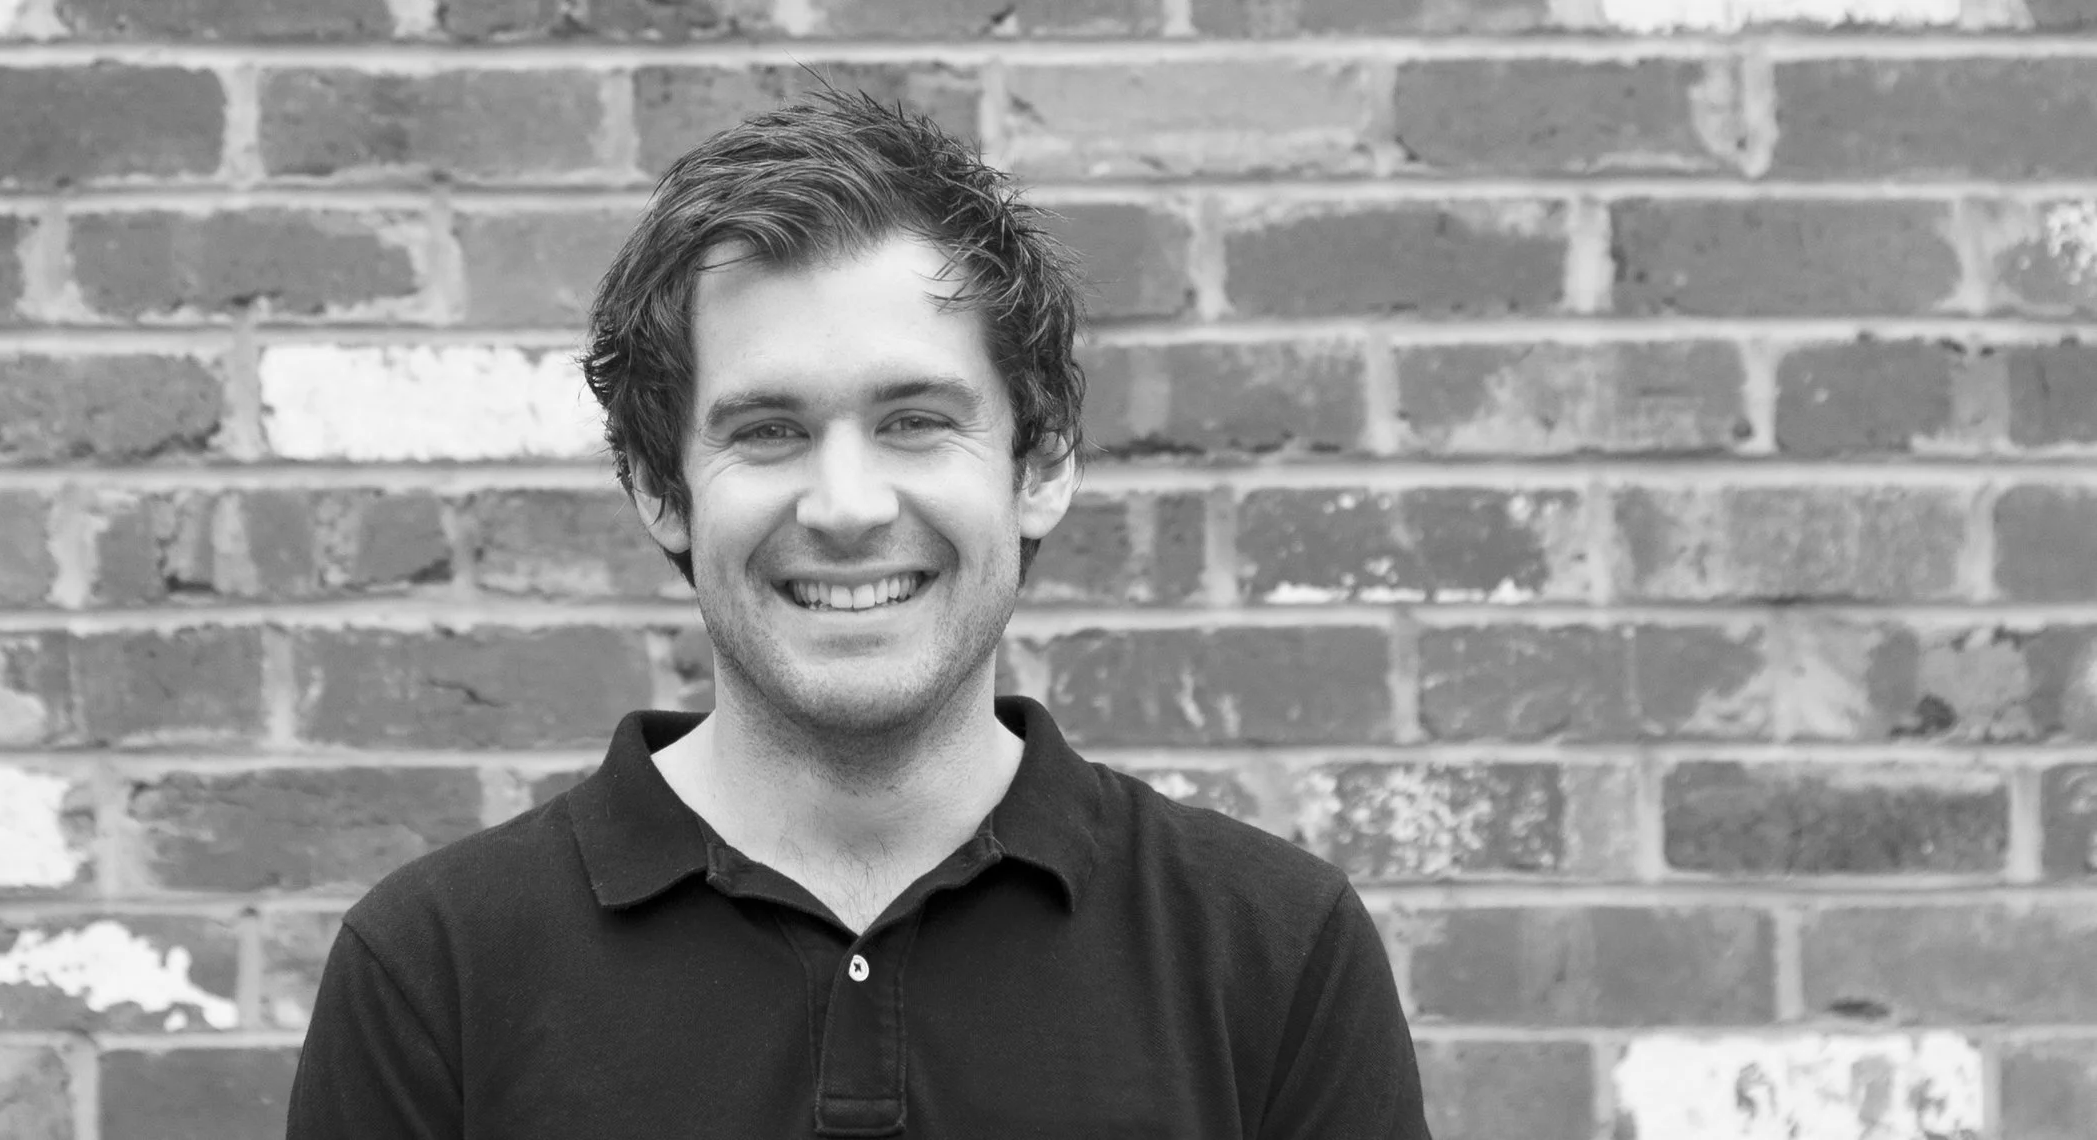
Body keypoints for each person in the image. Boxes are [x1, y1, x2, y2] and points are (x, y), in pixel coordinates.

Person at [285, 91, 1430, 1139]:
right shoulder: (435, 970)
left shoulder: (1272, 954)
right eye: (767, 431)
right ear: (656, 486)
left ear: (1038, 464)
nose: (844, 506)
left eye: (916, 420)